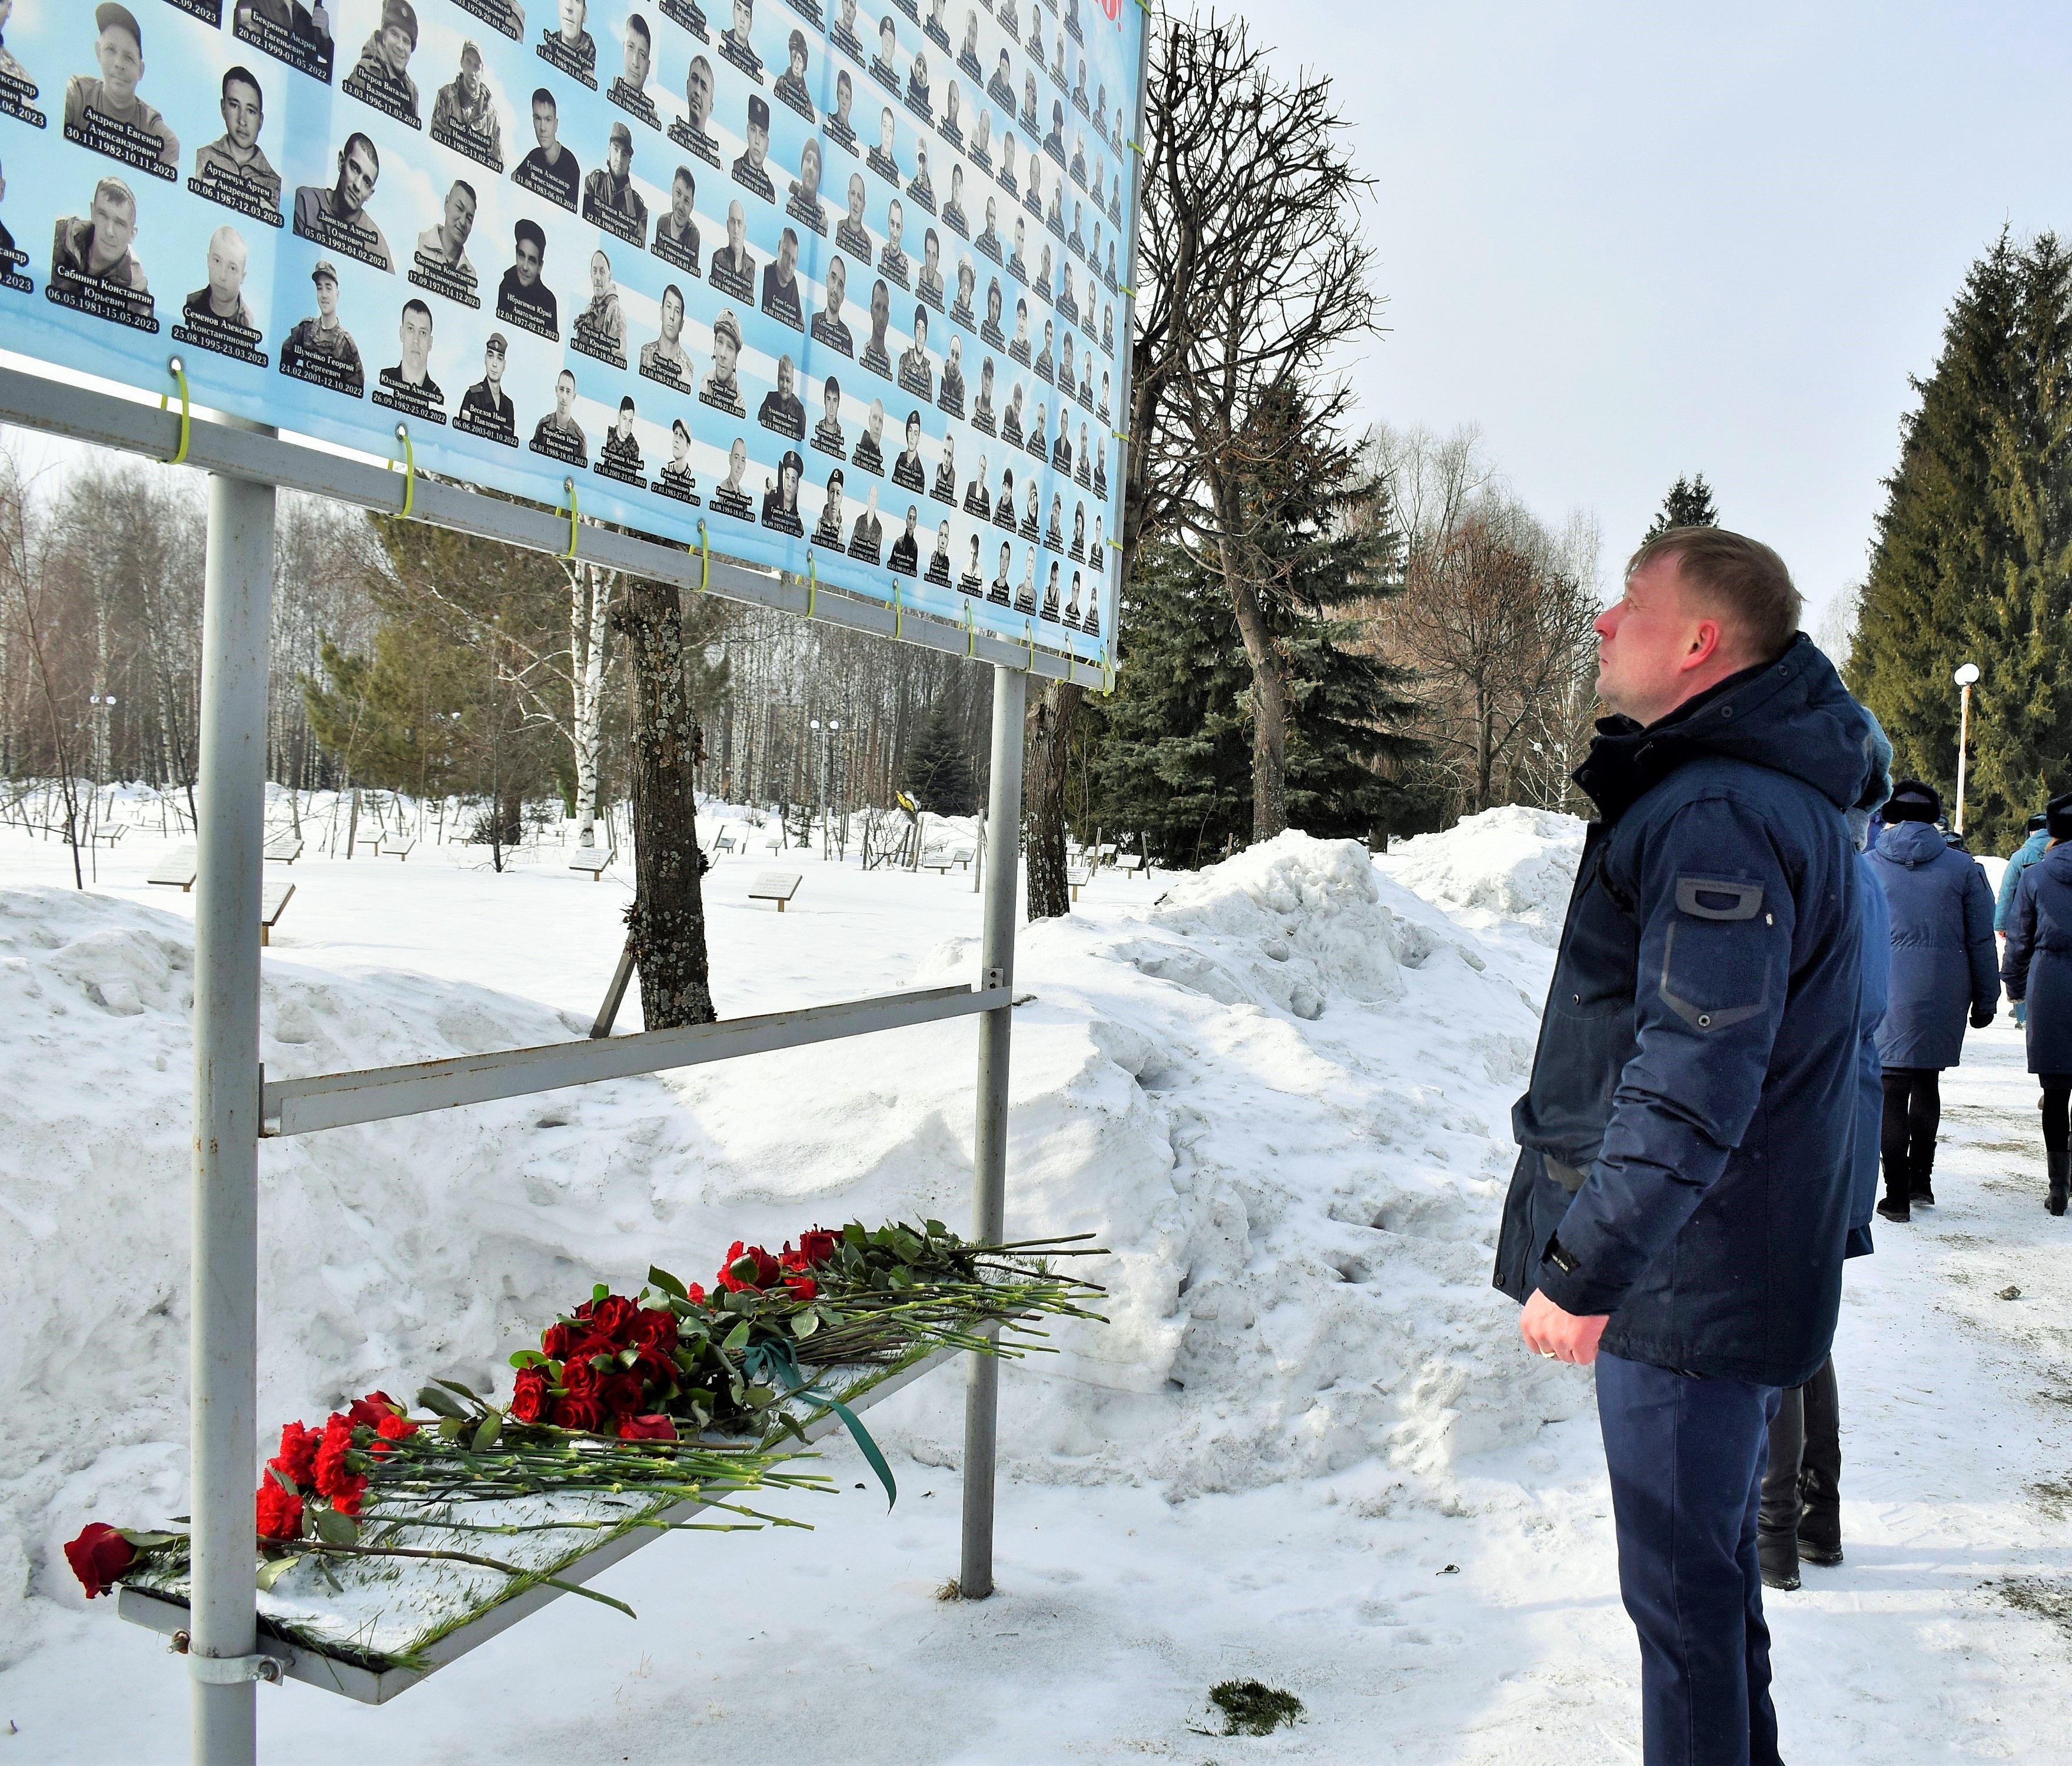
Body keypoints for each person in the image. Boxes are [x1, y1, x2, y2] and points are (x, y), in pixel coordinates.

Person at [1493, 526, 1882, 1766]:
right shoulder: (1754, 796)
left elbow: (1691, 1076)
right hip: (1727, 1261)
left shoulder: (1718, 811)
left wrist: (1583, 1267)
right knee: (1708, 1599)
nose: (1602, 622)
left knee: (1682, 1615)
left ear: (1701, 640)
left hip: (1688, 1282)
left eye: (1629, 601)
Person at [1757, 725, 1893, 1594]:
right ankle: (1818, 1519)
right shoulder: (1862, 874)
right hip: (1849, 1120)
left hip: (1802, 1128)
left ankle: (1773, 1536)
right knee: (1809, 1330)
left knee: (1774, 1332)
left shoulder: (1813, 872)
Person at [1865, 778, 1997, 1219]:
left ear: (1890, 814)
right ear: (1934, 816)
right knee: (1927, 1081)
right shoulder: (1964, 869)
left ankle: (1896, 1195)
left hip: (1885, 989)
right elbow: (1981, 939)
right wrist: (1987, 998)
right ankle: (1921, 1181)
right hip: (1944, 989)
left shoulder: (1867, 865)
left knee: (1890, 1088)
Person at [2001, 791, 2072, 1216]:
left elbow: (2020, 937)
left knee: (2056, 1091)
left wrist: (2013, 984)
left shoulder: (2035, 875)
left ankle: (2058, 1186)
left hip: (2051, 983)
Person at [67, 4, 181, 171]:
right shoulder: (79, 93)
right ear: (99, 52)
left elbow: (175, 157)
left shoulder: (150, 124)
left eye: (129, 58)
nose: (119, 64)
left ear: (141, 71)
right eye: (110, 50)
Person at [294, 132, 392, 270]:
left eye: (366, 182)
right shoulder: (305, 202)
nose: (357, 185)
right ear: (341, 162)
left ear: (370, 195)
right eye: (355, 168)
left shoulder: (377, 244)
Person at [193, 67, 280, 211]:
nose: (242, 120)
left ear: (261, 121)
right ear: (223, 108)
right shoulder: (199, 159)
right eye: (234, 106)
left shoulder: (276, 185)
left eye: (251, 111)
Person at [1998, 811, 2051, 1025]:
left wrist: (2001, 923)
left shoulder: (2021, 856)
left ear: (2030, 831)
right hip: (2052, 922)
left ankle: (2023, 1015)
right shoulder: (2061, 853)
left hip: (2022, 921)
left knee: (2020, 964)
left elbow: (2008, 891)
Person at [280, 261, 363, 391]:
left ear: (337, 295)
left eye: (329, 288)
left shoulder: (346, 344)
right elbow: (282, 364)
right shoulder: (305, 329)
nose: (324, 295)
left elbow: (356, 391)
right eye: (320, 288)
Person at [343, 0, 420, 122]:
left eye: (406, 41)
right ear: (384, 38)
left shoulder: (412, 91)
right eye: (395, 34)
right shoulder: (367, 70)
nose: (400, 46)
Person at [430, 42, 502, 165]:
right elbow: (435, 139)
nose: (472, 72)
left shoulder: (492, 116)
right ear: (462, 62)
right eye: (468, 62)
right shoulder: (446, 95)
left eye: (477, 66)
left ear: (482, 71)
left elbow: (497, 164)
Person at [514, 88, 580, 211]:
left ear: (556, 124)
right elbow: (512, 181)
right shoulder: (534, 156)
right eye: (538, 119)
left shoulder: (570, 165)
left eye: (548, 120)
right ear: (533, 121)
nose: (543, 128)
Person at [583, 121, 647, 241]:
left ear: (629, 161)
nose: (619, 159)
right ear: (610, 151)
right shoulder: (594, 183)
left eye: (624, 154)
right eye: (616, 149)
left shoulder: (638, 207)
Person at [414, 180, 479, 286]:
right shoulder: (419, 243)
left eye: (469, 219)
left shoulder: (471, 274)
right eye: (459, 208)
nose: (463, 222)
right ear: (447, 203)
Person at [457, 332, 516, 441]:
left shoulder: (508, 406)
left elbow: (508, 444)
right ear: (485, 359)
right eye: (491, 356)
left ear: (504, 365)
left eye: (499, 359)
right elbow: (462, 437)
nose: (494, 364)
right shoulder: (473, 396)